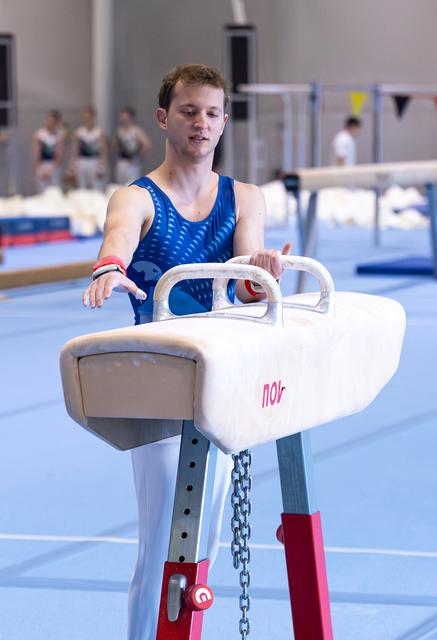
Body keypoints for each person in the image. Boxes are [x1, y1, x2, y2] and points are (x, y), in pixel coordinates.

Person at [83, 64, 291, 640]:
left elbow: (248, 276)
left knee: (203, 546)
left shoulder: (245, 197)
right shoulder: (137, 196)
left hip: (222, 380)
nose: (201, 123)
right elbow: (118, 236)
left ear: (224, 122)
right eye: (189, 111)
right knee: (160, 545)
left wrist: (261, 271)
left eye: (212, 113)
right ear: (163, 118)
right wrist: (109, 268)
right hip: (158, 383)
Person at [69, 106, 108, 190]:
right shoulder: (79, 132)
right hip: (82, 162)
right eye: (85, 117)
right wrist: (73, 166)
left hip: (95, 162)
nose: (87, 119)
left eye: (89, 117)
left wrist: (102, 167)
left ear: (93, 117)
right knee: (81, 187)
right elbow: (75, 150)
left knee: (97, 187)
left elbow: (103, 151)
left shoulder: (99, 132)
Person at [113, 106, 152, 185]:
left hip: (132, 164)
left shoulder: (136, 131)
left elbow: (147, 145)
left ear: (131, 117)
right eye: (122, 117)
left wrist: (137, 158)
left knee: (131, 184)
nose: (123, 119)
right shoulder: (119, 131)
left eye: (125, 117)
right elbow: (115, 146)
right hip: (121, 162)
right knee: (120, 185)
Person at [33, 110, 66, 192]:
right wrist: (40, 168)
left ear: (56, 122)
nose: (49, 123)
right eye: (48, 120)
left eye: (52, 121)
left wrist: (52, 168)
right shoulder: (39, 134)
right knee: (42, 192)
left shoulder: (60, 135)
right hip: (42, 165)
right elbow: (36, 152)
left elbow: (60, 154)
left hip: (54, 166)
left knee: (55, 191)